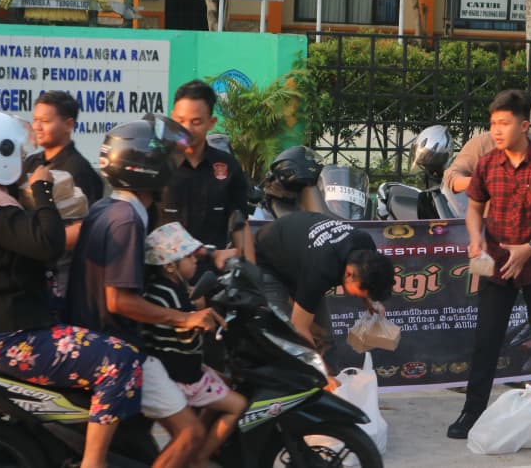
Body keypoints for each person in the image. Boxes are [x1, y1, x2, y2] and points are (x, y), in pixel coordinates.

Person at [0, 111, 142, 468]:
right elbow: (48, 243)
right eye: (16, 152)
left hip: (0, 327)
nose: (24, 160)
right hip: (13, 336)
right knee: (121, 360)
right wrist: (42, 191)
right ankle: (94, 462)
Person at [66, 115, 225, 468]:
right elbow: (119, 301)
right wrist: (184, 318)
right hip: (119, 344)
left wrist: (206, 254)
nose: (176, 165)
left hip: (92, 334)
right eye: (170, 159)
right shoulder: (127, 221)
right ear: (150, 168)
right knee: (191, 434)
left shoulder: (109, 208)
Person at [446, 89, 531, 446]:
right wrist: (475, 237)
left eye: (504, 123)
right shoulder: (488, 163)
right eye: (493, 124)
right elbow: (474, 208)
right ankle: (472, 412)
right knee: (486, 343)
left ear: (524, 125)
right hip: (496, 268)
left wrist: (529, 248)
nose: (497, 130)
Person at [142, 222, 248, 468]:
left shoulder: (171, 287)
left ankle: (200, 451)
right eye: (188, 257)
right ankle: (200, 458)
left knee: (227, 383)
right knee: (238, 405)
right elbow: (184, 336)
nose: (195, 261)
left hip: (186, 369)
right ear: (170, 266)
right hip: (182, 375)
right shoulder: (166, 294)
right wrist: (201, 321)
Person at [254, 211, 395, 357]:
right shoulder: (321, 269)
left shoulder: (365, 244)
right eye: (360, 293)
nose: (357, 296)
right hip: (268, 262)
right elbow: (300, 327)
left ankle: (329, 368)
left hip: (298, 256)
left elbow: (367, 276)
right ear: (349, 274)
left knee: (324, 339)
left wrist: (370, 301)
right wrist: (319, 369)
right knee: (288, 342)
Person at [23, 90, 105, 314]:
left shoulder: (78, 171)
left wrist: (43, 241)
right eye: (35, 120)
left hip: (62, 273)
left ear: (69, 124)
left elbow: (84, 228)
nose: (37, 127)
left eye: (45, 121)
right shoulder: (31, 162)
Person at [160, 79, 255, 265]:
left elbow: (240, 225)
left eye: (196, 122)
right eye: (180, 121)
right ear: (172, 118)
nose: (187, 129)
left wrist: (251, 273)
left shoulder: (228, 166)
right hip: (166, 274)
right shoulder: (158, 165)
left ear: (211, 122)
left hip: (213, 274)